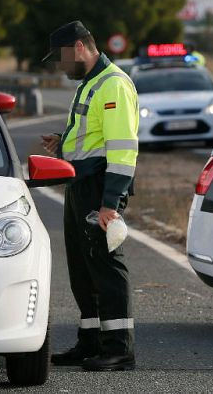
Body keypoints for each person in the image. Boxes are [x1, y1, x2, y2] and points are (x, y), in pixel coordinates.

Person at [40, 20, 139, 371]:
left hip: (99, 189)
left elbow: (122, 150)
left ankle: (118, 347)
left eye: (62, 57)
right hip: (80, 186)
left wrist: (109, 204)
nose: (61, 65)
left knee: (106, 265)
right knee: (83, 269)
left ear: (80, 47)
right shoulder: (91, 84)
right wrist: (62, 142)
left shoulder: (112, 85)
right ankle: (90, 341)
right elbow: (93, 135)